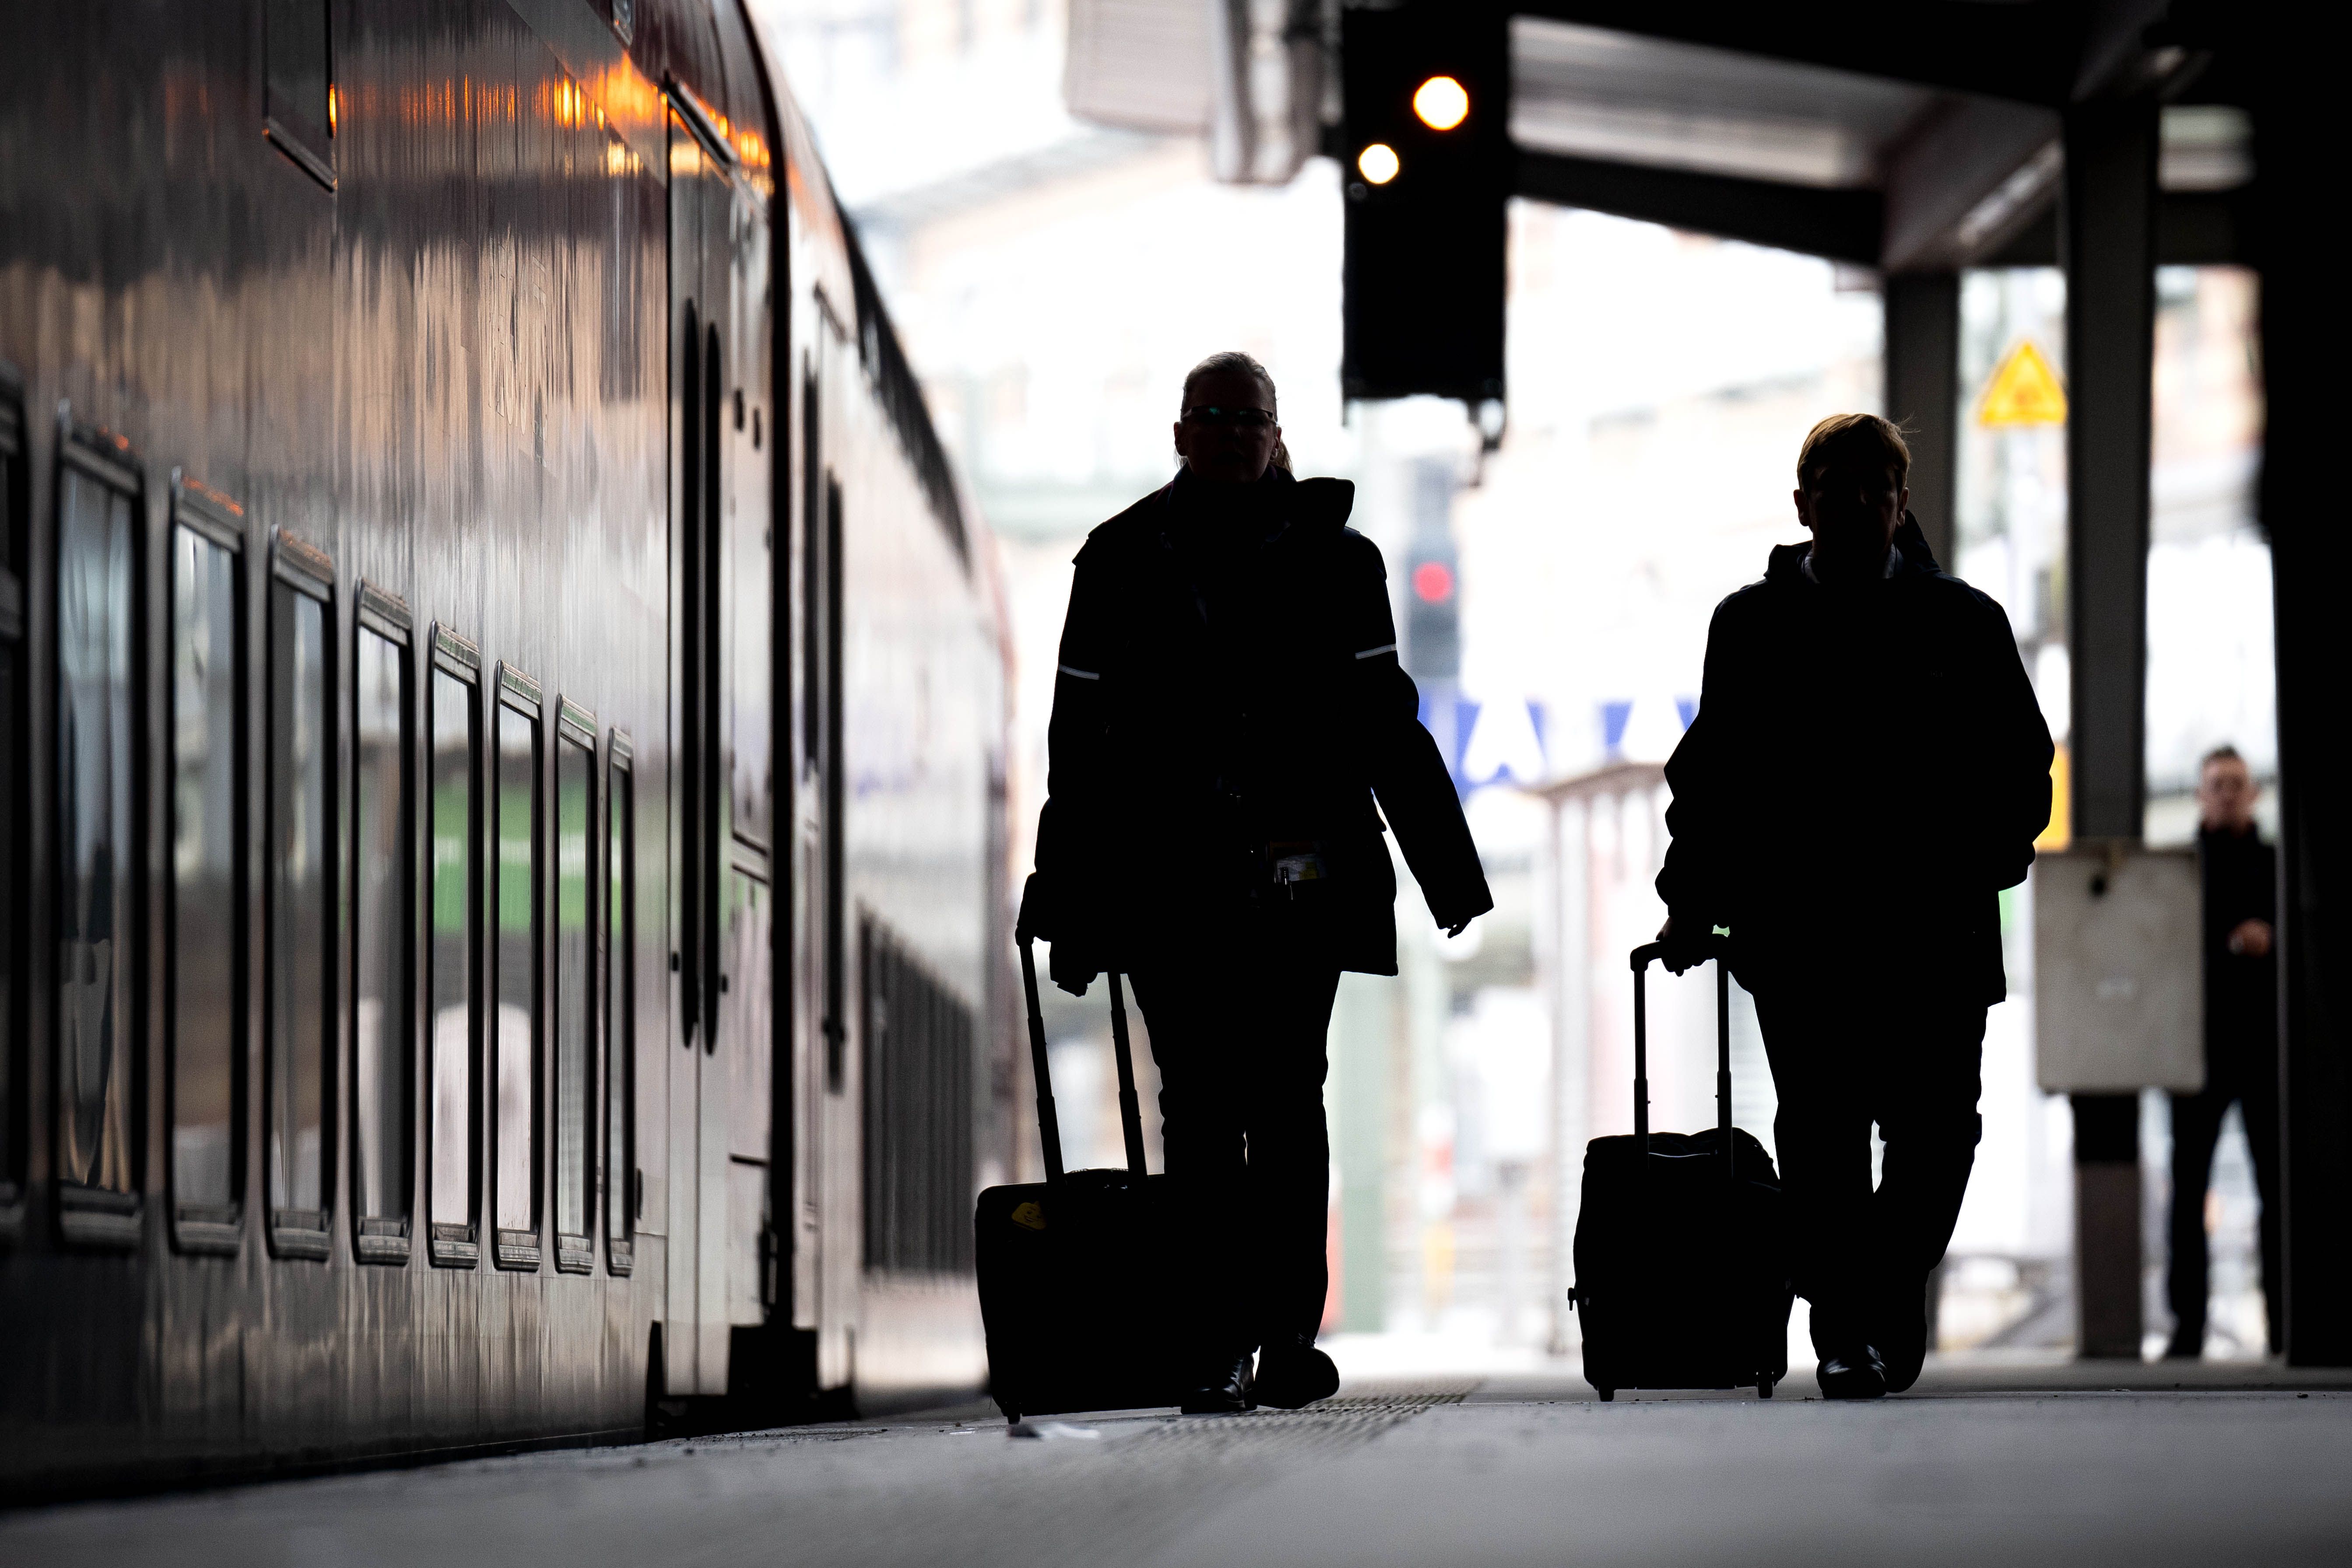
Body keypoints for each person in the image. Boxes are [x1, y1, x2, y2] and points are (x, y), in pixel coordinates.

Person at [1018, 351, 1492, 1414]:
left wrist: (1446, 873)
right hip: (1164, 878)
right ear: (1180, 434)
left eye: (1251, 419)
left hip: (1300, 873)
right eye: (1215, 416)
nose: (1234, 434)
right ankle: (1215, 1342)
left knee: (1282, 1099)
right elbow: (1076, 744)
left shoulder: (1341, 562)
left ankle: (1282, 1338)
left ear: (1277, 436)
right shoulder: (1115, 560)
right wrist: (1066, 891)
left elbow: (1383, 718)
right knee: (1198, 1107)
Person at [1654, 413, 2053, 1399]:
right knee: (1823, 1135)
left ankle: (1877, 1290)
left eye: (1877, 487)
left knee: (1938, 1135)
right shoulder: (1749, 626)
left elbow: (2022, 764)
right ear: (1802, 504)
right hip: (1802, 936)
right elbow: (1712, 779)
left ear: (1901, 504)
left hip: (1935, 934)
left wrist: (1981, 862)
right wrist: (1689, 901)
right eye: (1836, 487)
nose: (1858, 503)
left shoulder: (1962, 622)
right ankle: (1845, 1330)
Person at [2166, 744, 2282, 1359]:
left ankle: (2286, 1323)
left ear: (2253, 794)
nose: (2228, 794)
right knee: (2188, 1194)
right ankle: (2187, 1330)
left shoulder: (2276, 867)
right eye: (2217, 784)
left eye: (2237, 784)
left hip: (2265, 1051)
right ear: (2199, 794)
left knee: (2278, 1190)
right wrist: (2235, 947)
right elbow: (2165, 954)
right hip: (2197, 1050)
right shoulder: (2178, 873)